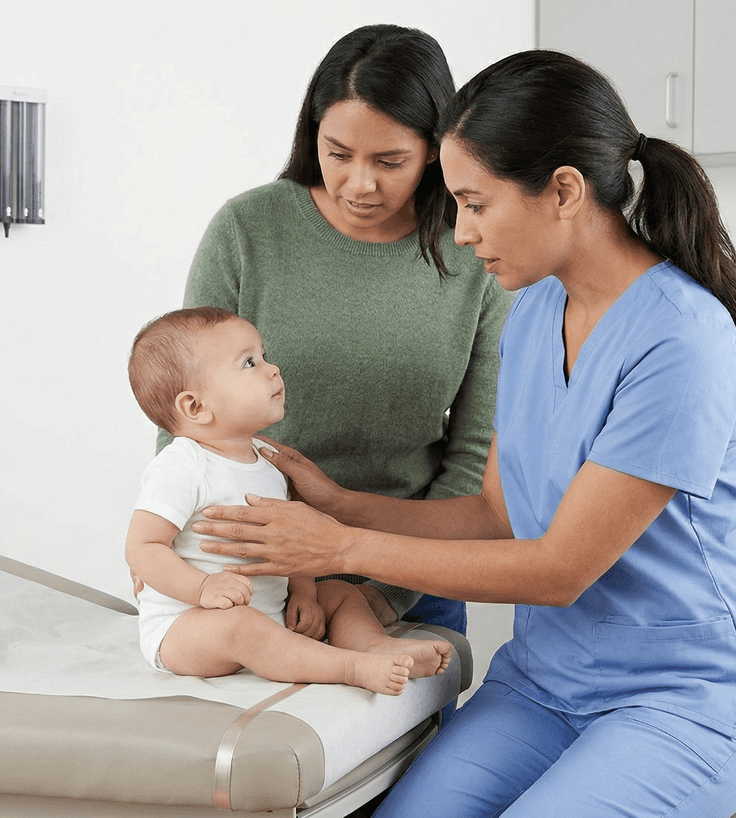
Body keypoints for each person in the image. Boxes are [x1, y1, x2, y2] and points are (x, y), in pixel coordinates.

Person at [191, 50, 736, 817]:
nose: (462, 233)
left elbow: (559, 569)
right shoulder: (537, 312)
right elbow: (494, 518)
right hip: (544, 682)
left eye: (475, 203)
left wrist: (338, 549)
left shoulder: (680, 338)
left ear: (564, 191)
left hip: (683, 695)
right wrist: (338, 503)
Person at [173, 23, 510, 637]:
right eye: (337, 153)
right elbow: (189, 421)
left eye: (390, 161)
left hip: (412, 575)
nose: (360, 183)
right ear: (313, 136)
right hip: (257, 575)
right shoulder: (249, 230)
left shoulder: (475, 248)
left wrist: (387, 593)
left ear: (435, 148)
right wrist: (186, 558)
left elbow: (475, 456)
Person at [125, 306, 450, 695]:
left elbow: (295, 543)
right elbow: (142, 547)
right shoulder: (182, 465)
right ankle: (349, 666)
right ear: (196, 407)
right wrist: (201, 588)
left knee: (341, 593)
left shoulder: (269, 459)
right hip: (188, 627)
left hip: (269, 614)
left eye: (264, 356)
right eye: (248, 363)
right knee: (241, 628)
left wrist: (305, 593)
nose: (272, 369)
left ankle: (375, 645)